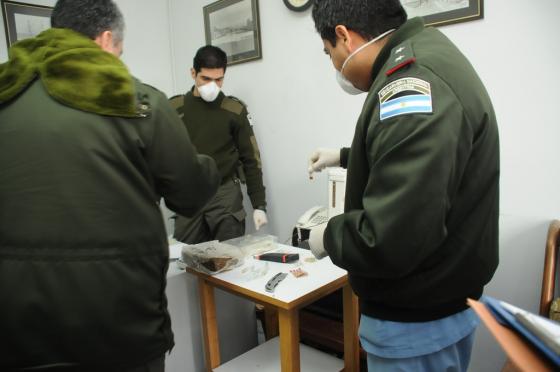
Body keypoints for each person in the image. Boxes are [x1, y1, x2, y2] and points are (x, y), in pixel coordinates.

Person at [0, 0, 220, 370]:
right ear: (105, 40)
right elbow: (190, 193)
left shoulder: (8, 94)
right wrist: (208, 166)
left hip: (16, 328)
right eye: (119, 51)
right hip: (118, 325)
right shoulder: (136, 101)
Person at [307, 1, 499, 371]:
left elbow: (392, 237)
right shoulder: (429, 50)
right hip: (442, 298)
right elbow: (419, 157)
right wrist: (345, 156)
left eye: (329, 52)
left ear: (344, 36)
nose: (334, 64)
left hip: (416, 319)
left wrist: (325, 237)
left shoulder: (411, 82)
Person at [170, 45, 268, 244]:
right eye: (206, 79)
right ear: (193, 73)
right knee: (186, 258)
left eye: (218, 79)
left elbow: (251, 159)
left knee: (229, 260)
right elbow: (160, 155)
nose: (212, 85)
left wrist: (259, 205)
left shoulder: (234, 110)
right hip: (189, 193)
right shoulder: (174, 108)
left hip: (224, 194)